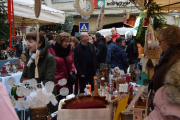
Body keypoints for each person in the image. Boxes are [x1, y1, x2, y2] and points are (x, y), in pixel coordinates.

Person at [145, 25, 180, 120]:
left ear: (169, 41)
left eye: (160, 41)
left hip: (168, 111)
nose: (159, 44)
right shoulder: (169, 56)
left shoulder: (175, 59)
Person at [20, 31, 57, 113]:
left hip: (46, 97)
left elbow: (48, 80)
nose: (28, 44)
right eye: (27, 42)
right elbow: (24, 77)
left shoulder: (49, 58)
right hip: (32, 98)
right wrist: (25, 88)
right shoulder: (30, 57)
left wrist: (34, 90)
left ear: (39, 43)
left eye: (30, 42)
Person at [48, 32, 75, 101]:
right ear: (60, 41)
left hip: (68, 79)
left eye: (68, 41)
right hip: (57, 80)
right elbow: (49, 64)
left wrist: (72, 70)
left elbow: (72, 61)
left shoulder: (69, 49)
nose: (67, 43)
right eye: (65, 41)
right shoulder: (52, 49)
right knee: (59, 100)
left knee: (69, 100)